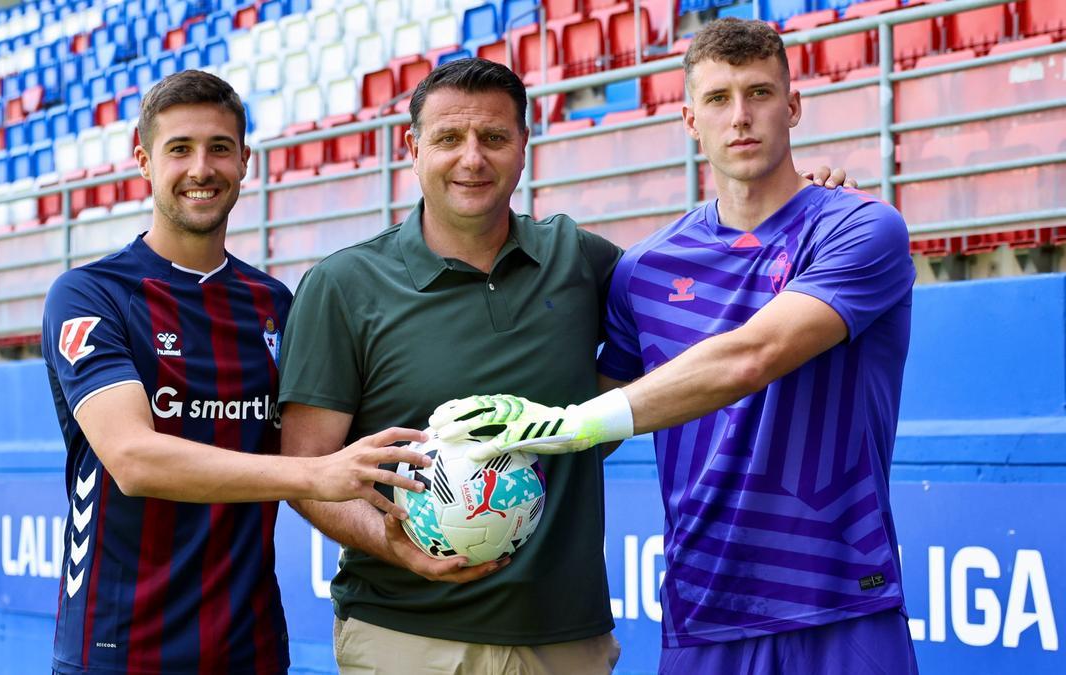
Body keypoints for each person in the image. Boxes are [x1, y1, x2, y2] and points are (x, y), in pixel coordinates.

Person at [278, 57, 856, 675]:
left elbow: (706, 275)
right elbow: (306, 467)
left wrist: (797, 205)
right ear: (412, 147)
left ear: (524, 146)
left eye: (494, 138)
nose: (472, 159)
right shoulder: (343, 284)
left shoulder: (577, 258)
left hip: (565, 637)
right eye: (449, 139)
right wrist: (393, 545)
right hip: (408, 634)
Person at [431, 20, 919, 674]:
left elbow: (755, 356)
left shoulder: (861, 229)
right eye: (718, 99)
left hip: (840, 602)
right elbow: (605, 413)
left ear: (794, 106)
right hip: (703, 607)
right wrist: (467, 458)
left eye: (760, 94)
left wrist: (566, 423)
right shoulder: (645, 269)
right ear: (690, 119)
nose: (740, 117)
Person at [41, 70, 430, 675]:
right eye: (180, 149)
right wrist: (311, 473)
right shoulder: (91, 295)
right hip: (118, 648)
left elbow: (321, 451)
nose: (202, 168)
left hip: (248, 648)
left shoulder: (275, 304)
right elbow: (135, 460)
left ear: (245, 161)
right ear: (143, 161)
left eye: (220, 148)